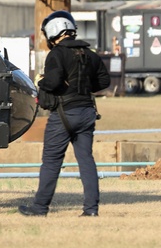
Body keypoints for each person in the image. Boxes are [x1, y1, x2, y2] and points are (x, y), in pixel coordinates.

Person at [19, 11, 111, 217]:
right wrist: (85, 86)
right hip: (87, 112)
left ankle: (40, 208)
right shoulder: (91, 54)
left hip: (63, 115)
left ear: (52, 32)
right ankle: (91, 210)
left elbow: (52, 82)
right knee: (86, 160)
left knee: (51, 162)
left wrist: (41, 82)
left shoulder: (57, 54)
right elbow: (104, 82)